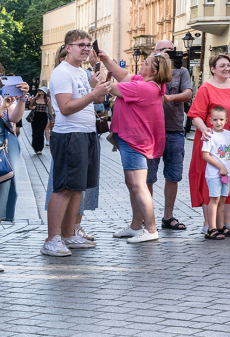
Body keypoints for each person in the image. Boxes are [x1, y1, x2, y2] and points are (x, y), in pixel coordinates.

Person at [44, 30, 111, 258]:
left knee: (77, 189)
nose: (85, 48)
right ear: (67, 47)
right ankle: (52, 239)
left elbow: (100, 98)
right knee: (64, 188)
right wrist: (93, 95)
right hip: (69, 135)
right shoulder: (62, 73)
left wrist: (97, 84)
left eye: (88, 44)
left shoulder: (81, 72)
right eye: (80, 44)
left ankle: (69, 233)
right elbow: (65, 107)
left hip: (86, 133)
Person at [100, 51, 174, 243]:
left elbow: (111, 88)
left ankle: (150, 229)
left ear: (154, 70)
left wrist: (98, 73)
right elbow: (123, 76)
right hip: (132, 139)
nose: (142, 63)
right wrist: (106, 59)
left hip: (135, 141)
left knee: (139, 186)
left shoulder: (143, 87)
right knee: (133, 185)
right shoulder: (149, 83)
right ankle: (135, 226)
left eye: (146, 62)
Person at [187, 54, 230, 236]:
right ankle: (209, 223)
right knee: (211, 180)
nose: (227, 68)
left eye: (229, 65)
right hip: (212, 142)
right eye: (222, 65)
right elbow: (195, 115)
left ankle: (226, 220)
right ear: (213, 69)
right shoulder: (206, 88)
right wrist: (205, 131)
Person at [0, 58, 27, 272]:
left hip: (1, 154)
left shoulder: (3, 95)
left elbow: (14, 119)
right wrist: (2, 106)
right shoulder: (0, 100)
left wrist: (22, 100)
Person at [145, 40, 194, 232]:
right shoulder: (150, 70)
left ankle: (168, 216)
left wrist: (169, 98)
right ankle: (147, 217)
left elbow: (188, 94)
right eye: (163, 50)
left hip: (174, 129)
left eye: (171, 50)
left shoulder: (181, 72)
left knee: (173, 175)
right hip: (151, 131)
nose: (168, 53)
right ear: (155, 53)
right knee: (148, 177)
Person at [202, 106, 230, 239]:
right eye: (215, 119)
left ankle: (221, 226)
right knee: (214, 199)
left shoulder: (229, 135)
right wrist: (220, 167)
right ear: (210, 120)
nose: (218, 122)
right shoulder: (209, 135)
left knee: (222, 200)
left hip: (226, 174)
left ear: (226, 120)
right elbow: (205, 155)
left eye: (221, 119)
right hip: (214, 174)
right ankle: (211, 229)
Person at [26, 87, 50, 155]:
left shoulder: (47, 100)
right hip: (35, 116)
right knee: (35, 132)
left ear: (44, 92)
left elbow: (50, 111)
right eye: (39, 90)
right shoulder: (34, 99)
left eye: (41, 90)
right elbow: (29, 107)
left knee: (41, 132)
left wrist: (52, 119)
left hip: (43, 117)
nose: (39, 91)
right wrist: (32, 107)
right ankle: (35, 147)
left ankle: (39, 148)